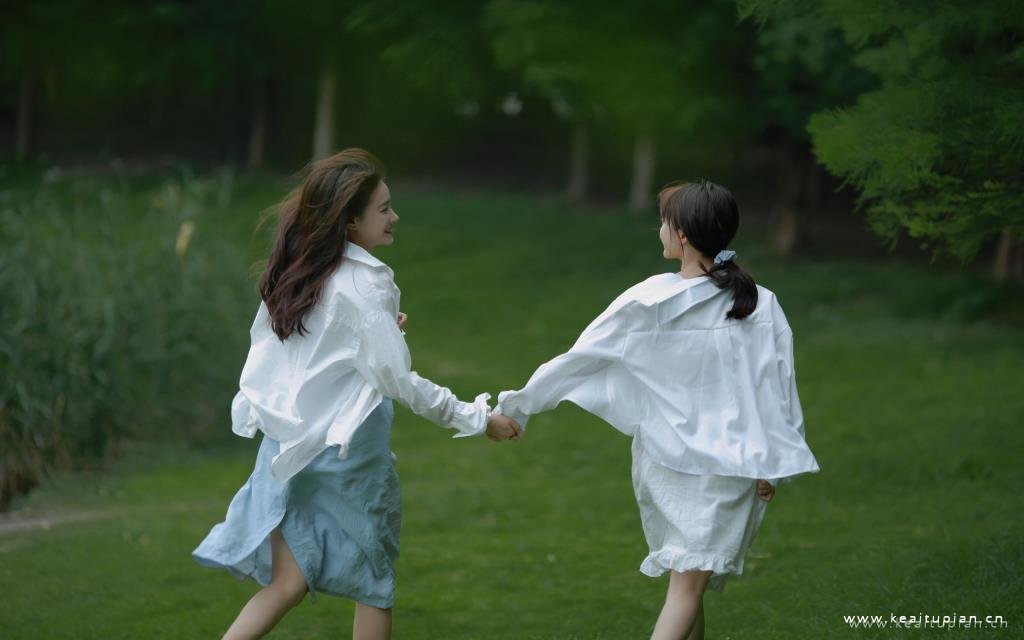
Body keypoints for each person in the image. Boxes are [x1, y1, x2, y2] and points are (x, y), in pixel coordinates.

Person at [192, 148, 521, 640]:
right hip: (347, 456)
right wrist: (479, 420)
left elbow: (314, 353)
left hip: (292, 447)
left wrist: (382, 333)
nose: (394, 217)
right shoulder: (365, 285)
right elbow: (398, 380)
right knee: (374, 585)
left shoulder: (304, 272)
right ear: (350, 221)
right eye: (383, 209)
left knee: (288, 583)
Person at [495, 180, 820, 640]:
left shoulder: (649, 301)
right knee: (687, 587)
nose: (660, 231)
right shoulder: (758, 303)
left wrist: (517, 406)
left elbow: (579, 360)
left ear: (682, 234)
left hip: (668, 462)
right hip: (729, 466)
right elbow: (777, 387)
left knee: (687, 585)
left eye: (664, 223)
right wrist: (775, 461)